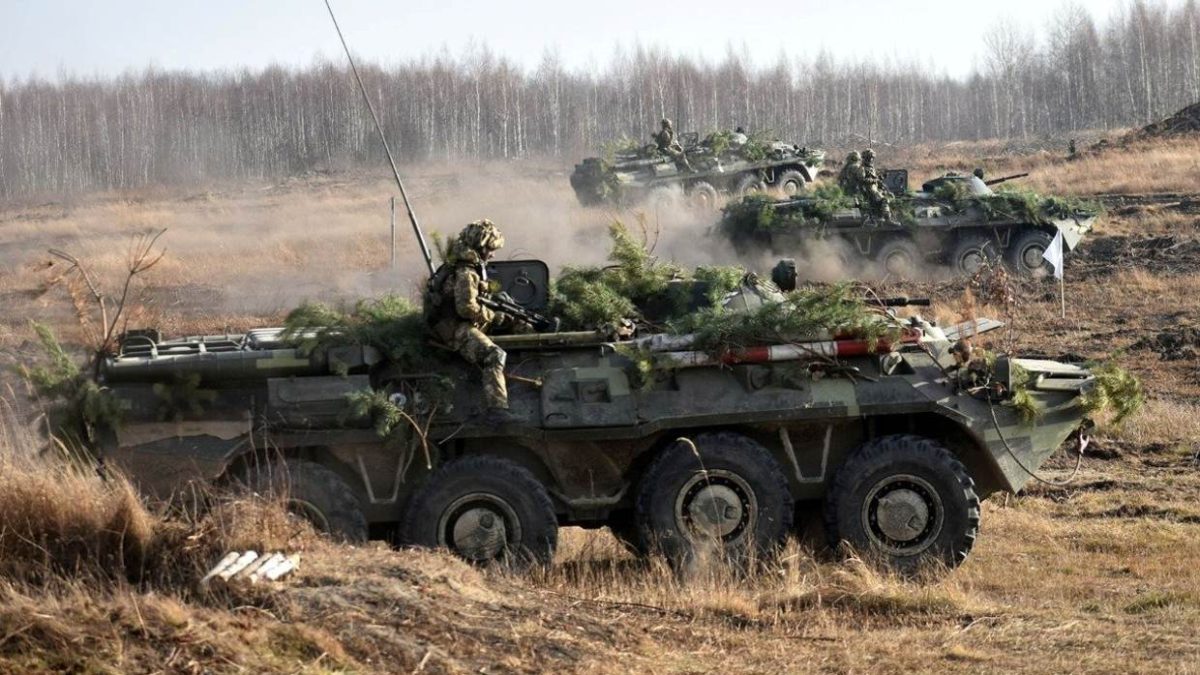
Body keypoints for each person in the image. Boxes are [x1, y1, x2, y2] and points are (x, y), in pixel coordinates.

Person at [425, 219, 523, 423]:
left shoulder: (466, 266)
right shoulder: (466, 272)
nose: (493, 253)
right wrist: (493, 316)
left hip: (461, 323)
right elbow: (466, 308)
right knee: (494, 354)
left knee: (512, 320)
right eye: (491, 248)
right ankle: (497, 410)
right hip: (454, 329)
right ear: (481, 246)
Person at [860, 149, 895, 224]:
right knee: (884, 200)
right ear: (866, 158)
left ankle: (881, 216)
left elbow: (876, 180)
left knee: (888, 195)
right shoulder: (862, 168)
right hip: (869, 189)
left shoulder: (871, 168)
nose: (871, 159)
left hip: (874, 188)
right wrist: (875, 180)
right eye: (869, 157)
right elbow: (862, 180)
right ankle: (887, 219)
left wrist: (880, 179)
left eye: (872, 158)